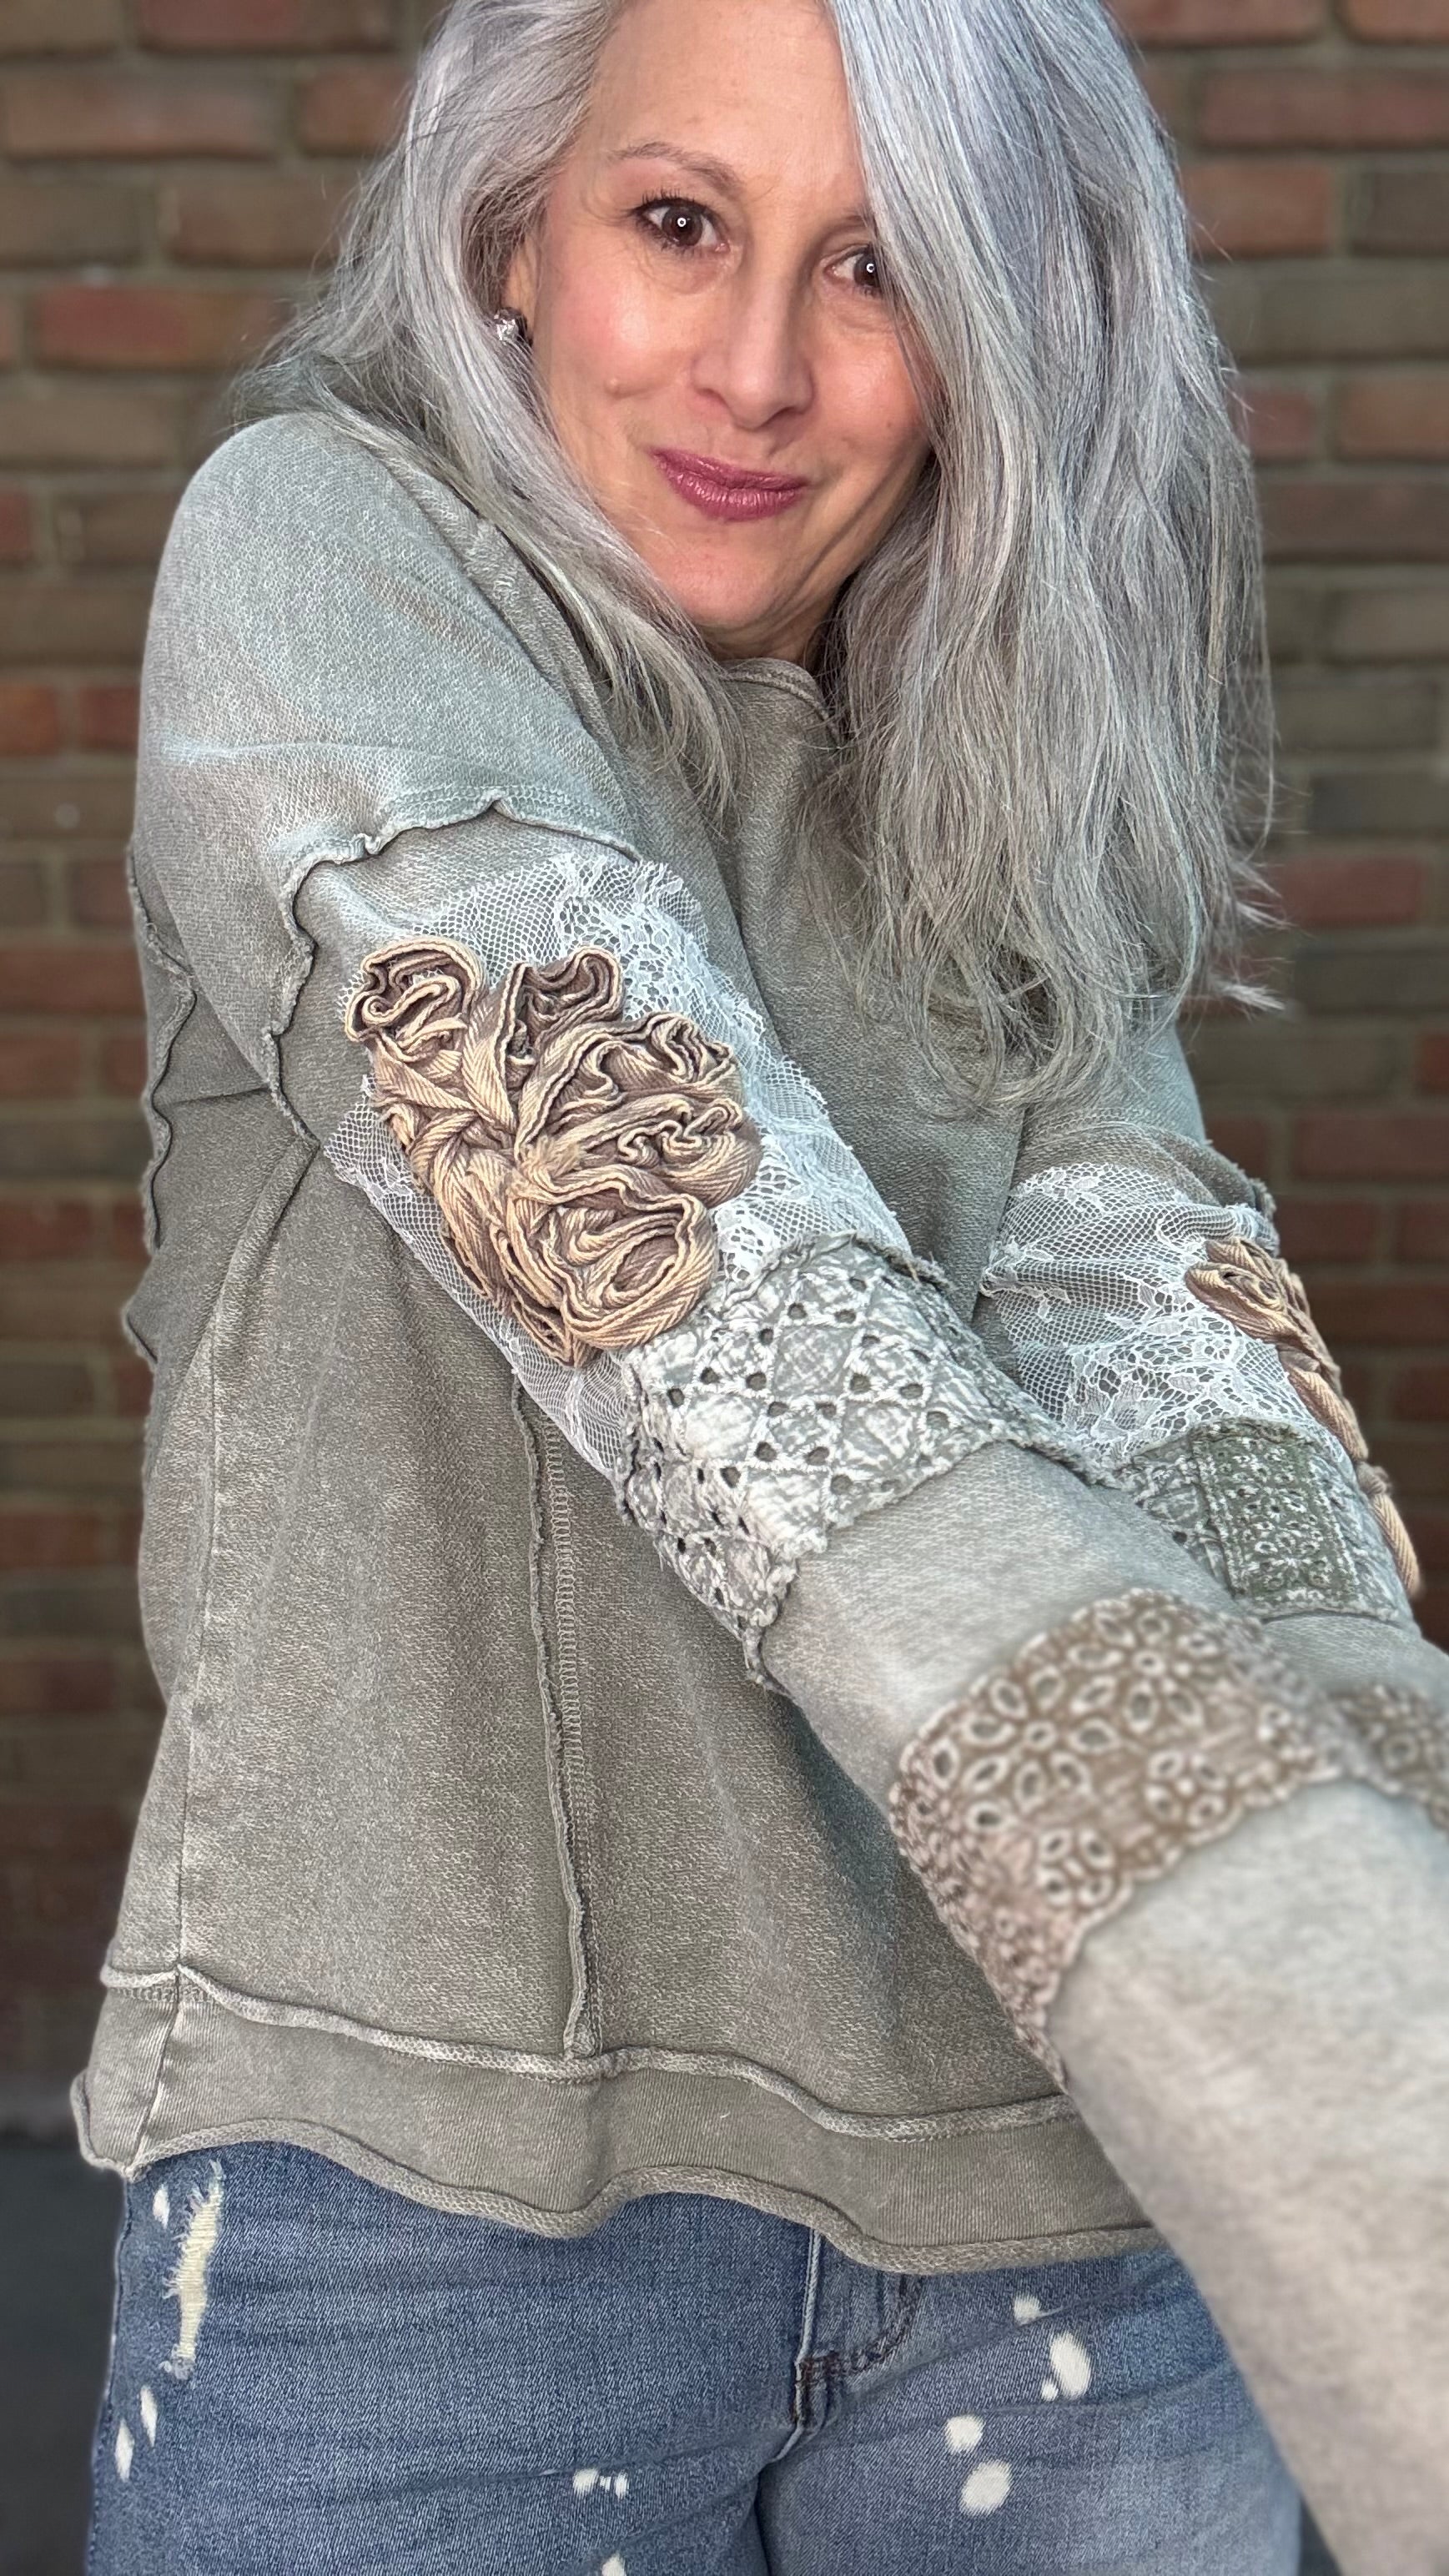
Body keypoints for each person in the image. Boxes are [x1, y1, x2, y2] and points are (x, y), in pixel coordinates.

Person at [78, 0, 1449, 2567]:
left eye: (878, 269)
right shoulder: (325, 556)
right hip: (448, 2205)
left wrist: (1404, 1955)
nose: (756, 372)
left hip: (1094, 2217)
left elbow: (1203, 1423)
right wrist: (1361, 2082)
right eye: (675, 224)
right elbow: (703, 1290)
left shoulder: (1004, 774)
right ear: (514, 240)